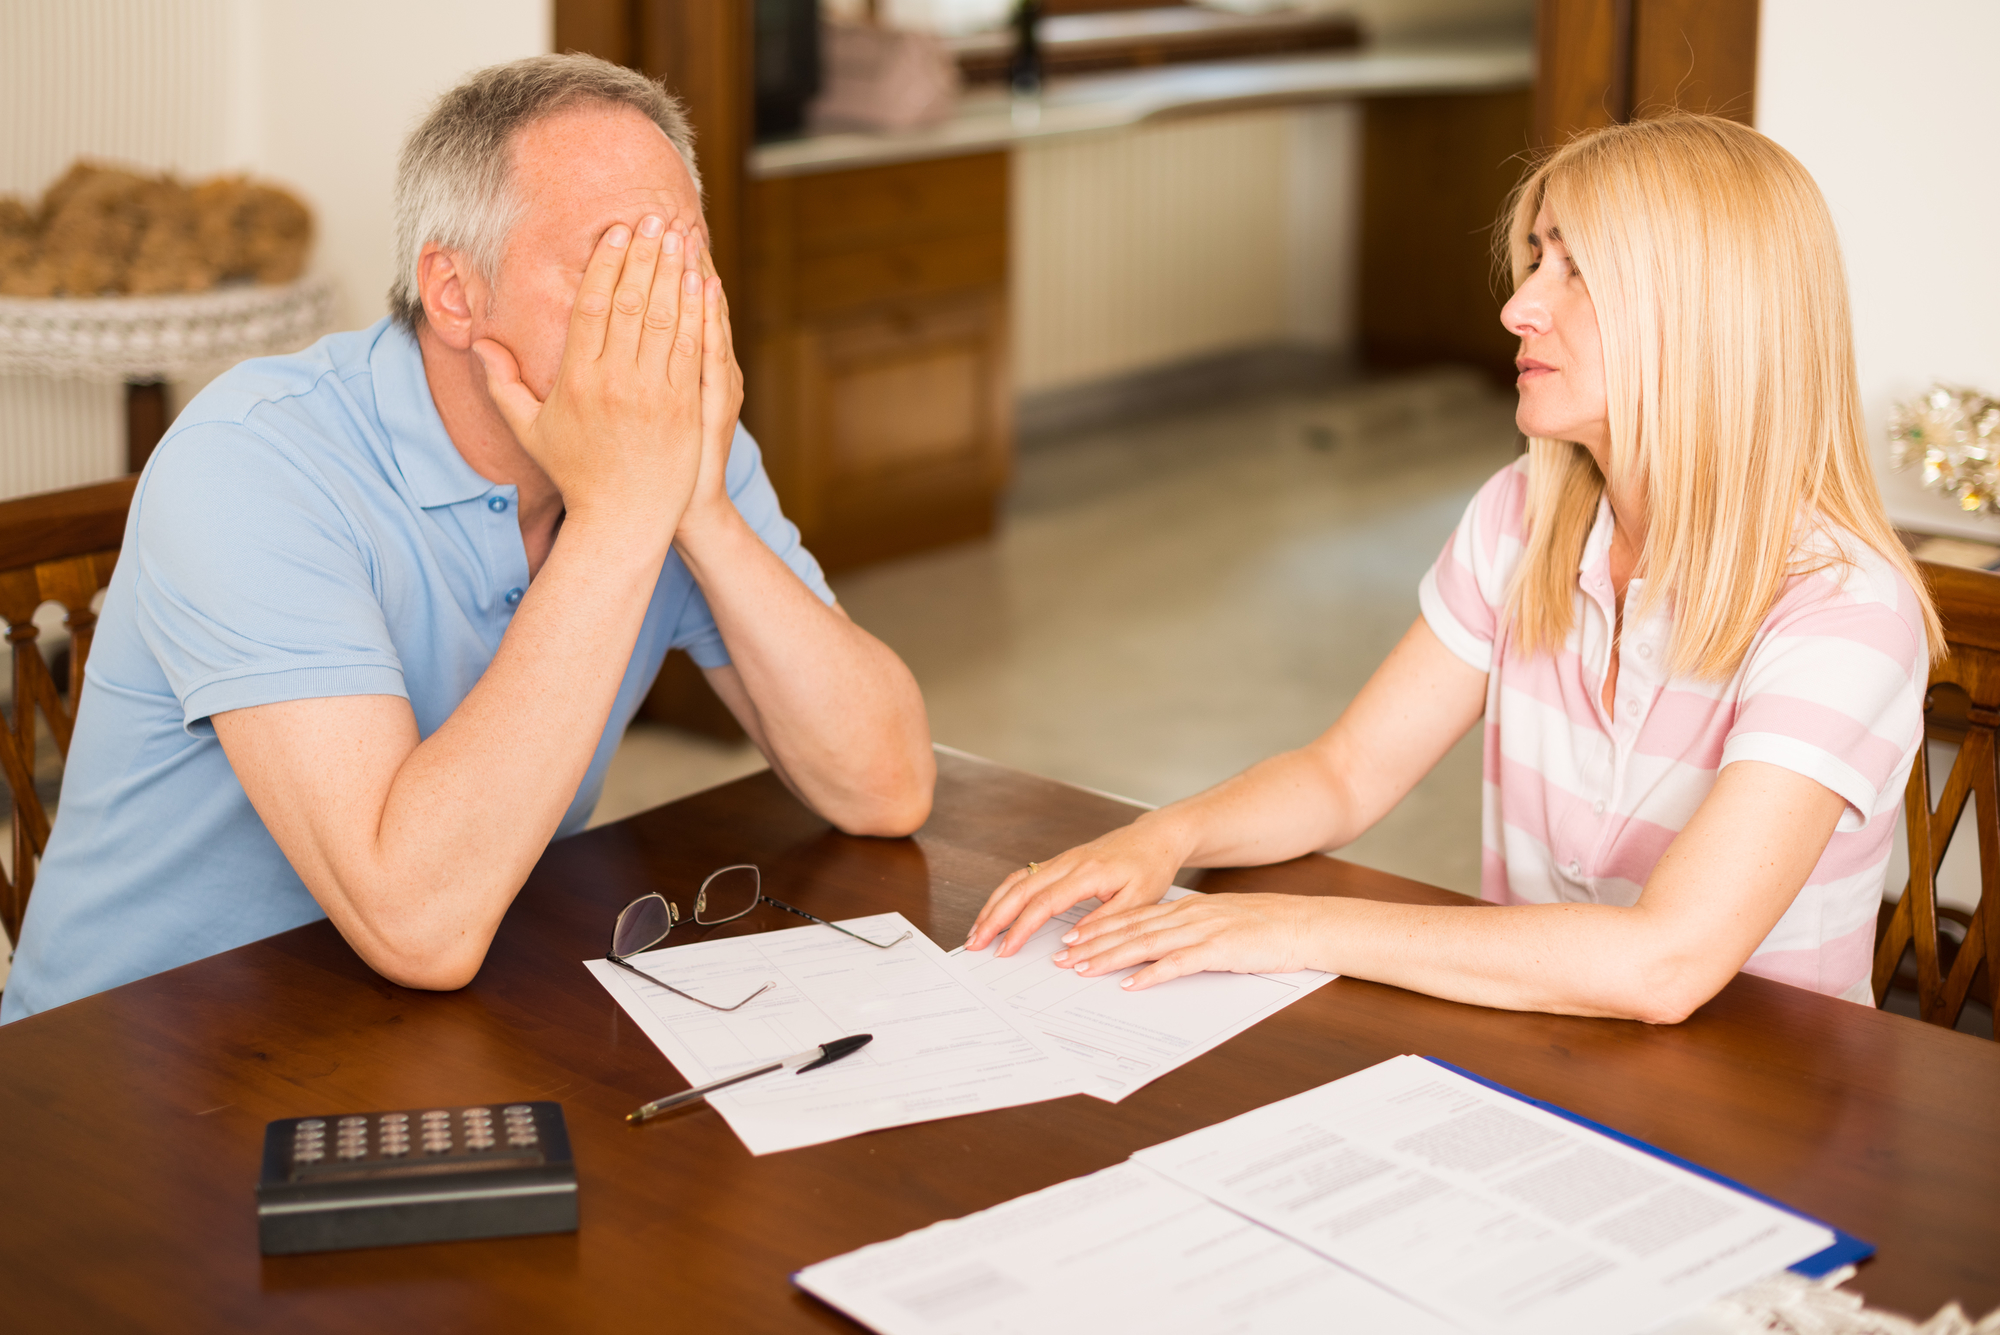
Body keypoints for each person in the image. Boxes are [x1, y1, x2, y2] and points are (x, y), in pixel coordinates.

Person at [1, 55, 934, 1021]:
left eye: (682, 256)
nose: (664, 310)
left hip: (417, 1026)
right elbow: (418, 925)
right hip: (110, 1079)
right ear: (453, 292)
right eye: (616, 261)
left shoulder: (666, 442)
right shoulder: (248, 464)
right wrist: (621, 515)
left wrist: (697, 504)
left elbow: (886, 785)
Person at [968, 113, 1939, 1023]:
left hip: (1762, 1114)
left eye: (1578, 271)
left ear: (1710, 318)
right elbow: (1344, 774)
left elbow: (1666, 963)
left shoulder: (1841, 608)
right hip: (1534, 1046)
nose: (1519, 306)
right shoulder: (1519, 517)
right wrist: (1164, 837)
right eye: (1533, 259)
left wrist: (1288, 925)